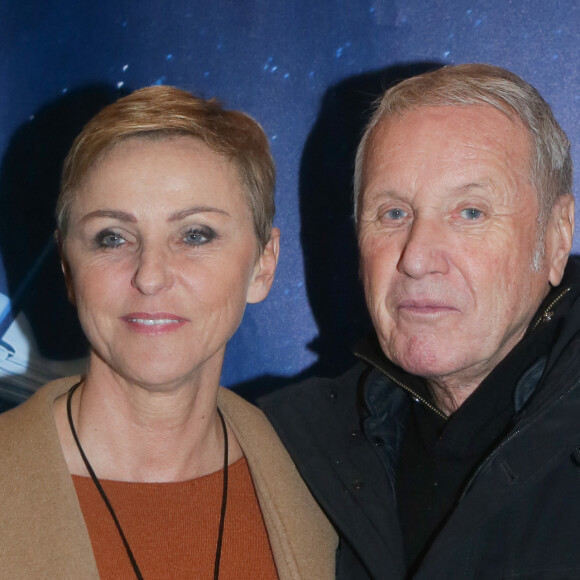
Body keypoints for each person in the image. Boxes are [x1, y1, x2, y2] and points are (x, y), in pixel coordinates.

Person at [0, 86, 336, 578]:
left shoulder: (327, 481)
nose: (150, 275)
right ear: (69, 270)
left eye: (195, 235)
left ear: (264, 264)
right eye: (112, 237)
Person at [260, 63, 579, 579]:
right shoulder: (287, 452)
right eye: (393, 214)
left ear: (556, 236)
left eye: (470, 212)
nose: (416, 257)